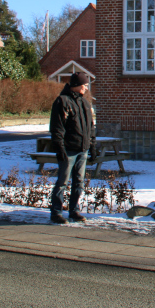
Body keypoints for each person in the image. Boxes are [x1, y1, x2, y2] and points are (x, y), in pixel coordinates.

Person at [48, 71, 96, 224]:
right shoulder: (62, 102)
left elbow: (91, 127)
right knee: (62, 181)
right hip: (68, 149)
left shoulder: (85, 103)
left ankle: (74, 210)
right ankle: (56, 212)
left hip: (82, 149)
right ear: (77, 85)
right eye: (85, 85)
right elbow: (57, 128)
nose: (86, 89)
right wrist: (59, 148)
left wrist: (92, 146)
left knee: (79, 182)